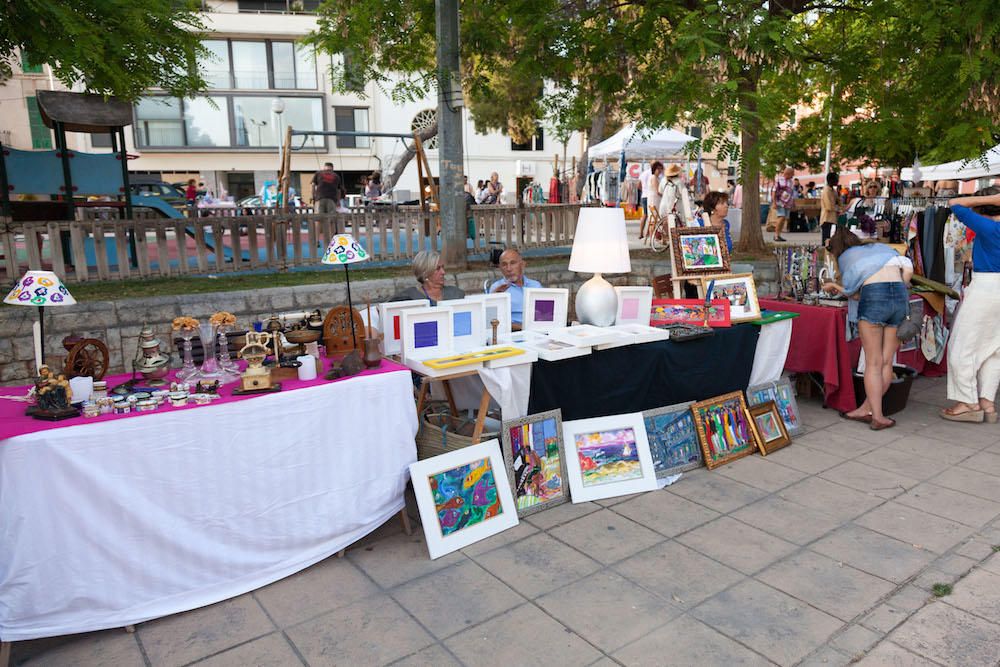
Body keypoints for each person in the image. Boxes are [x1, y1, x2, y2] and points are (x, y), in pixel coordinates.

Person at [822, 227, 912, 430]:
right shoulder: (880, 248)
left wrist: (835, 287)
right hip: (899, 296)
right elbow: (906, 269)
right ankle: (866, 408)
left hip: (874, 298)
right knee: (887, 361)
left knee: (873, 362)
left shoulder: (846, 258)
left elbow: (855, 294)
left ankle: (877, 416)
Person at [940, 187, 1000, 423]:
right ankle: (987, 401)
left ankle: (968, 401)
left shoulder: (991, 228)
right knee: (994, 348)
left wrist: (993, 198)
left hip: (988, 287)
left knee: (961, 345)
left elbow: (955, 203)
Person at [489, 248, 541, 329]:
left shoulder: (535, 285)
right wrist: (494, 297)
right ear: (500, 268)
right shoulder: (497, 288)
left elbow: (545, 314)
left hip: (537, 329)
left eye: (513, 263)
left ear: (522, 265)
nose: (509, 269)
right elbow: (491, 320)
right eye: (504, 264)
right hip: (512, 331)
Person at [391, 250, 465, 305]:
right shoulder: (409, 297)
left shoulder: (455, 294)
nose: (443, 272)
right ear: (425, 273)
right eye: (438, 269)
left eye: (443, 267)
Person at [640, 161, 664, 240]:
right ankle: (652, 238)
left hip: (653, 199)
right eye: (659, 169)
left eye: (661, 169)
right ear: (655, 169)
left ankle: (651, 237)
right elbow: (657, 191)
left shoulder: (655, 177)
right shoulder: (653, 177)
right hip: (654, 200)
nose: (660, 170)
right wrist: (664, 195)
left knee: (653, 219)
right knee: (654, 219)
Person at [772, 167, 794, 242]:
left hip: (788, 203)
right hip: (780, 202)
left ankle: (779, 234)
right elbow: (774, 191)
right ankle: (776, 235)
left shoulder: (791, 181)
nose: (793, 176)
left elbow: (791, 192)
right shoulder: (779, 180)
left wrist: (793, 203)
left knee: (784, 219)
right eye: (792, 174)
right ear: (787, 173)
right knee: (781, 217)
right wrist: (774, 202)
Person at [820, 172, 842, 243]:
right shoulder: (826, 191)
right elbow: (829, 206)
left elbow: (839, 201)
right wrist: (838, 209)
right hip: (827, 219)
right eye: (836, 180)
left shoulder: (833, 191)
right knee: (826, 241)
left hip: (833, 219)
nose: (837, 181)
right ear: (831, 180)